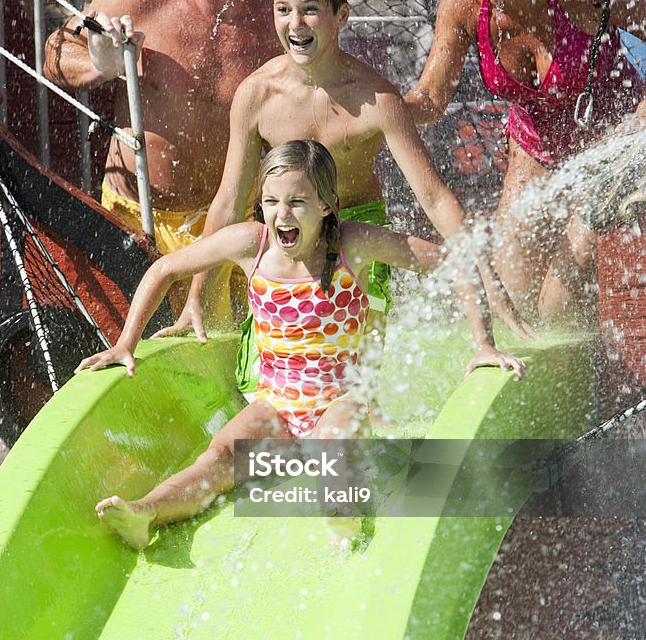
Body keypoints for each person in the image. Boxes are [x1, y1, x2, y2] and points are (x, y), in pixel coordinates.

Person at [77, 141, 525, 550]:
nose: (281, 215)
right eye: (271, 202)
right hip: (277, 406)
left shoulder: (355, 244)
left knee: (333, 450)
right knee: (217, 458)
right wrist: (125, 342)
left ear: (327, 206)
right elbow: (164, 270)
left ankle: (344, 520)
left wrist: (483, 343)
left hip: (342, 399)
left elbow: (456, 264)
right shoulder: (250, 245)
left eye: (296, 202)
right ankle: (145, 513)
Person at [160, 0, 531, 387]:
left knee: (348, 378)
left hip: (360, 237)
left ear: (341, 16)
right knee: (267, 380)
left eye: (310, 10)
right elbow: (230, 200)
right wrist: (197, 296)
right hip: (287, 237)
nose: (295, 25)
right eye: (284, 10)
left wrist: (486, 286)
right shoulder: (257, 95)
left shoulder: (376, 99)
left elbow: (434, 198)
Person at [403, 0, 646, 321]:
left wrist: (639, 124)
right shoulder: (462, 1)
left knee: (556, 307)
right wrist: (378, 107)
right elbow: (431, 98)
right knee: (512, 298)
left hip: (615, 140)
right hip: (537, 144)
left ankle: (583, 369)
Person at [44, 0, 281, 280]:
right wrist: (104, 65)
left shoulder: (281, 14)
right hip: (134, 219)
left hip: (229, 226)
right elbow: (56, 52)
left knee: (226, 344)